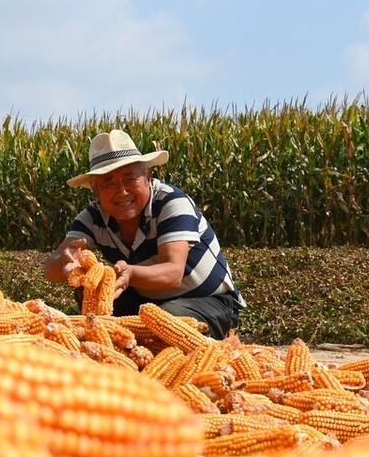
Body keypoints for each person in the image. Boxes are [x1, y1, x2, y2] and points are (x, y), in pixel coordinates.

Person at [44, 129, 244, 339]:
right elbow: (52, 266)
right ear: (96, 191)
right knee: (89, 288)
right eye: (108, 183)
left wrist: (130, 273)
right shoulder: (93, 217)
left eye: (130, 178)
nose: (121, 191)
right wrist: (66, 265)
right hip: (147, 302)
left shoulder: (171, 203)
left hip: (209, 301)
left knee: (166, 319)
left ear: (148, 177)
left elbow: (173, 273)